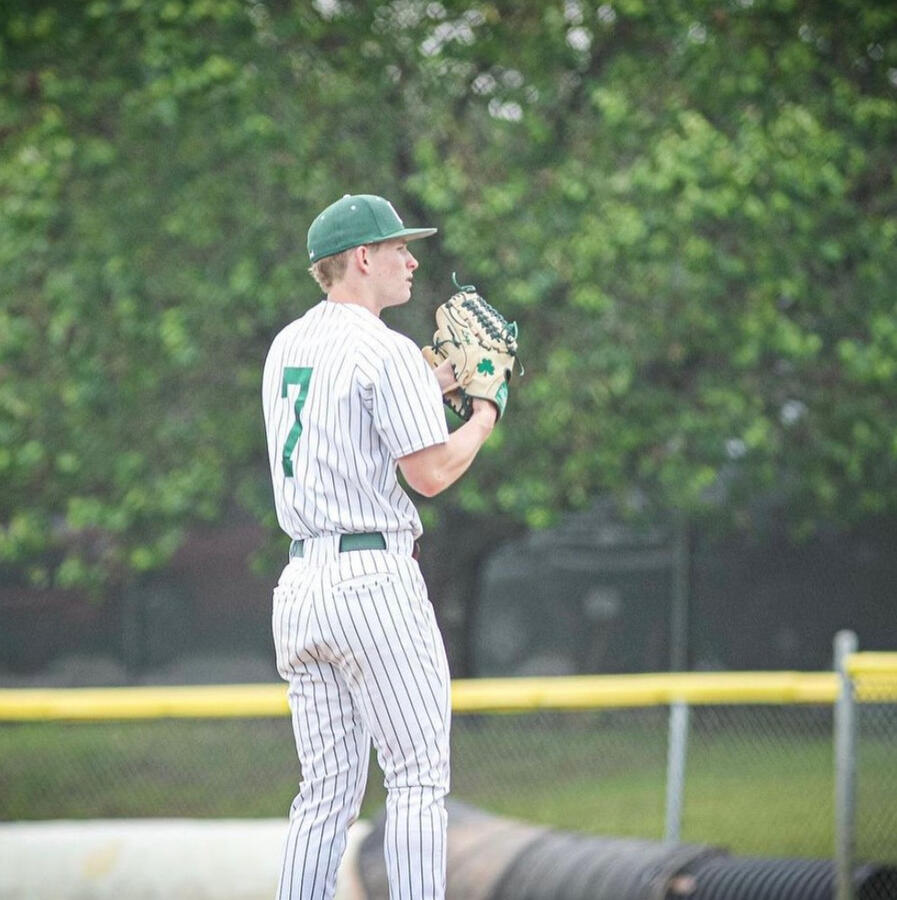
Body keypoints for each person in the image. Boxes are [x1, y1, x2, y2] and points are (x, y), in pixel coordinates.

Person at [261, 193, 499, 899]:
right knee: (419, 777)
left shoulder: (289, 345)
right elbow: (428, 472)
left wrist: (438, 381)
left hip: (301, 584)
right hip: (372, 579)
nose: (411, 259)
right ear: (362, 258)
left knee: (325, 794)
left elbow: (353, 415)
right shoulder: (385, 348)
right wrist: (482, 412)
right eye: (399, 248)